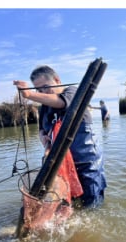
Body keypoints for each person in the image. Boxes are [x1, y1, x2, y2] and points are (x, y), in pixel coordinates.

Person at [13, 65, 107, 208]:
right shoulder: (44, 107)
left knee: (91, 206)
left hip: (86, 163)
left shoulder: (73, 92)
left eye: (45, 87)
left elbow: (62, 102)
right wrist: (44, 140)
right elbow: (41, 131)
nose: (42, 92)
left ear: (57, 80)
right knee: (68, 206)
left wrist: (29, 95)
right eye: (38, 90)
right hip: (61, 166)